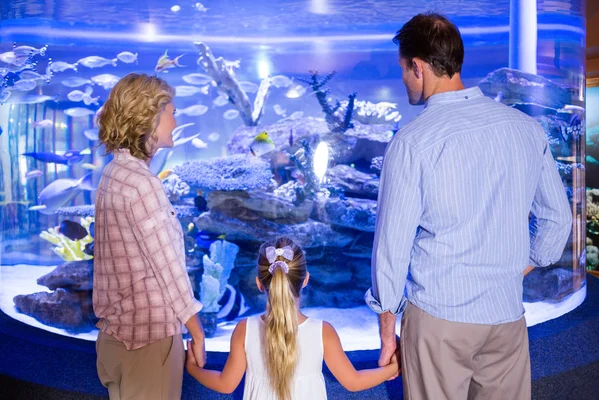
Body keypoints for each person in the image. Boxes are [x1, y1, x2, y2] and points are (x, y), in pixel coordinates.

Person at [365, 12, 573, 400]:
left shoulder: (412, 142)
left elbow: (392, 248)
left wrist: (386, 326)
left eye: (404, 70)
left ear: (418, 66)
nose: (404, 80)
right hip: (507, 316)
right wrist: (517, 267)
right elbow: (557, 221)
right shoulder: (526, 129)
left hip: (439, 319)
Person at [93, 73, 205, 400]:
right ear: (150, 117)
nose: (175, 118)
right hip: (148, 342)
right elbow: (168, 268)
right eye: (171, 111)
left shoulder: (114, 173)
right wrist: (196, 332)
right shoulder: (142, 184)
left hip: (117, 338)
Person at [186, 236, 400, 399]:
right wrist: (394, 366)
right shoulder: (322, 331)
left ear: (259, 283)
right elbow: (353, 382)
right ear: (305, 280)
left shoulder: (245, 329)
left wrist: (193, 369)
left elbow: (226, 384)